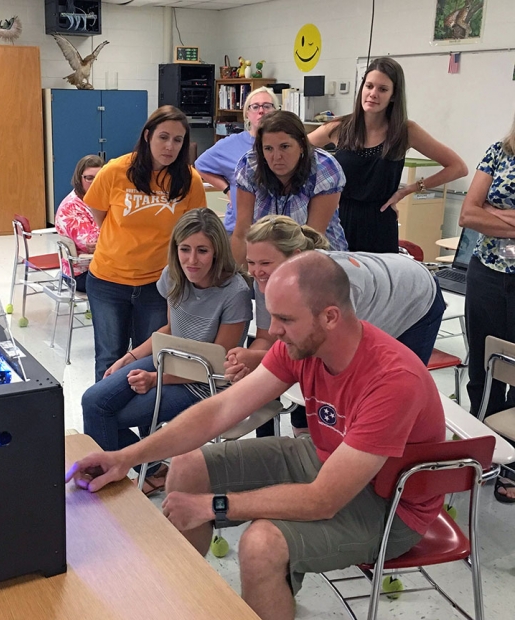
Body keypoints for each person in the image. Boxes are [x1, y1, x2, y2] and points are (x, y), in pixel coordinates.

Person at [67, 251, 446, 620]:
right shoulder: (301, 344)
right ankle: (185, 602)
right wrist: (126, 458)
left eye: (284, 318)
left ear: (330, 317)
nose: (274, 331)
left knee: (261, 544)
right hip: (327, 458)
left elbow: (323, 501)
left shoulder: (393, 380)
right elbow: (220, 410)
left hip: (390, 506)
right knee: (188, 467)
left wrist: (213, 506)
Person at [225, 215, 445, 437]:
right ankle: (308, 440)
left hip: (416, 297)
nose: (256, 271)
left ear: (295, 258)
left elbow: (334, 356)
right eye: (251, 262)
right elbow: (269, 338)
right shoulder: (270, 280)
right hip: (385, 280)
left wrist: (260, 361)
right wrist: (248, 359)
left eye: (265, 263)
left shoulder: (337, 286)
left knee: (391, 391)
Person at [81, 209, 251, 492]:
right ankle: (152, 471)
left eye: (202, 251)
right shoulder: (173, 276)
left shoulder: (235, 292)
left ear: (217, 252)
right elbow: (171, 330)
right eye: (185, 249)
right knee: (93, 401)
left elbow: (217, 363)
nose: (192, 260)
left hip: (205, 382)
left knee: (108, 416)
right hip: (169, 362)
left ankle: (120, 487)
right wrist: (129, 357)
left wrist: (155, 379)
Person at [84, 106, 207, 381]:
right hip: (108, 281)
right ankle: (106, 424)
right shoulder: (115, 171)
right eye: (163, 137)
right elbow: (100, 216)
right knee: (108, 357)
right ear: (148, 135)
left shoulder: (190, 180)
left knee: (150, 359)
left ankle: (147, 423)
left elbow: (193, 232)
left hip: (158, 285)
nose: (169, 146)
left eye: (178, 140)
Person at [308, 57, 467, 253]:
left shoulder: (405, 131)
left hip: (380, 222)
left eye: (382, 89)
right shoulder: (340, 127)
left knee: (378, 282)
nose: (373, 94)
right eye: (369, 86)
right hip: (339, 220)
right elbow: (295, 148)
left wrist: (409, 189)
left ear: (393, 95)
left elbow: (458, 167)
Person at [458, 114, 515, 503]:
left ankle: (512, 463)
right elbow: (468, 214)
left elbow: (482, 213)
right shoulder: (500, 153)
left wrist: (496, 218)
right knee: (483, 365)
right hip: (490, 274)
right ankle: (485, 454)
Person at [231, 110, 347, 266]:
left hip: (320, 257)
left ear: (301, 145)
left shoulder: (323, 167)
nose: (277, 157)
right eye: (268, 149)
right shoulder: (250, 166)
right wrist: (241, 279)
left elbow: (312, 239)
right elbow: (242, 233)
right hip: (265, 261)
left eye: (284, 147)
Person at [195, 87, 280, 234]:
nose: (261, 111)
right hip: (238, 228)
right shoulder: (231, 144)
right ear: (247, 113)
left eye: (267, 106)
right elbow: (200, 165)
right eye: (255, 107)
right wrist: (227, 189)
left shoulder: (284, 144)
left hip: (275, 228)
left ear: (276, 111)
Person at [53, 154, 104, 292]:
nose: (95, 182)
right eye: (89, 178)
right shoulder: (71, 207)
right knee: (132, 286)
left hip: (100, 266)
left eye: (99, 178)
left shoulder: (98, 200)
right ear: (79, 178)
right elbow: (91, 244)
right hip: (81, 274)